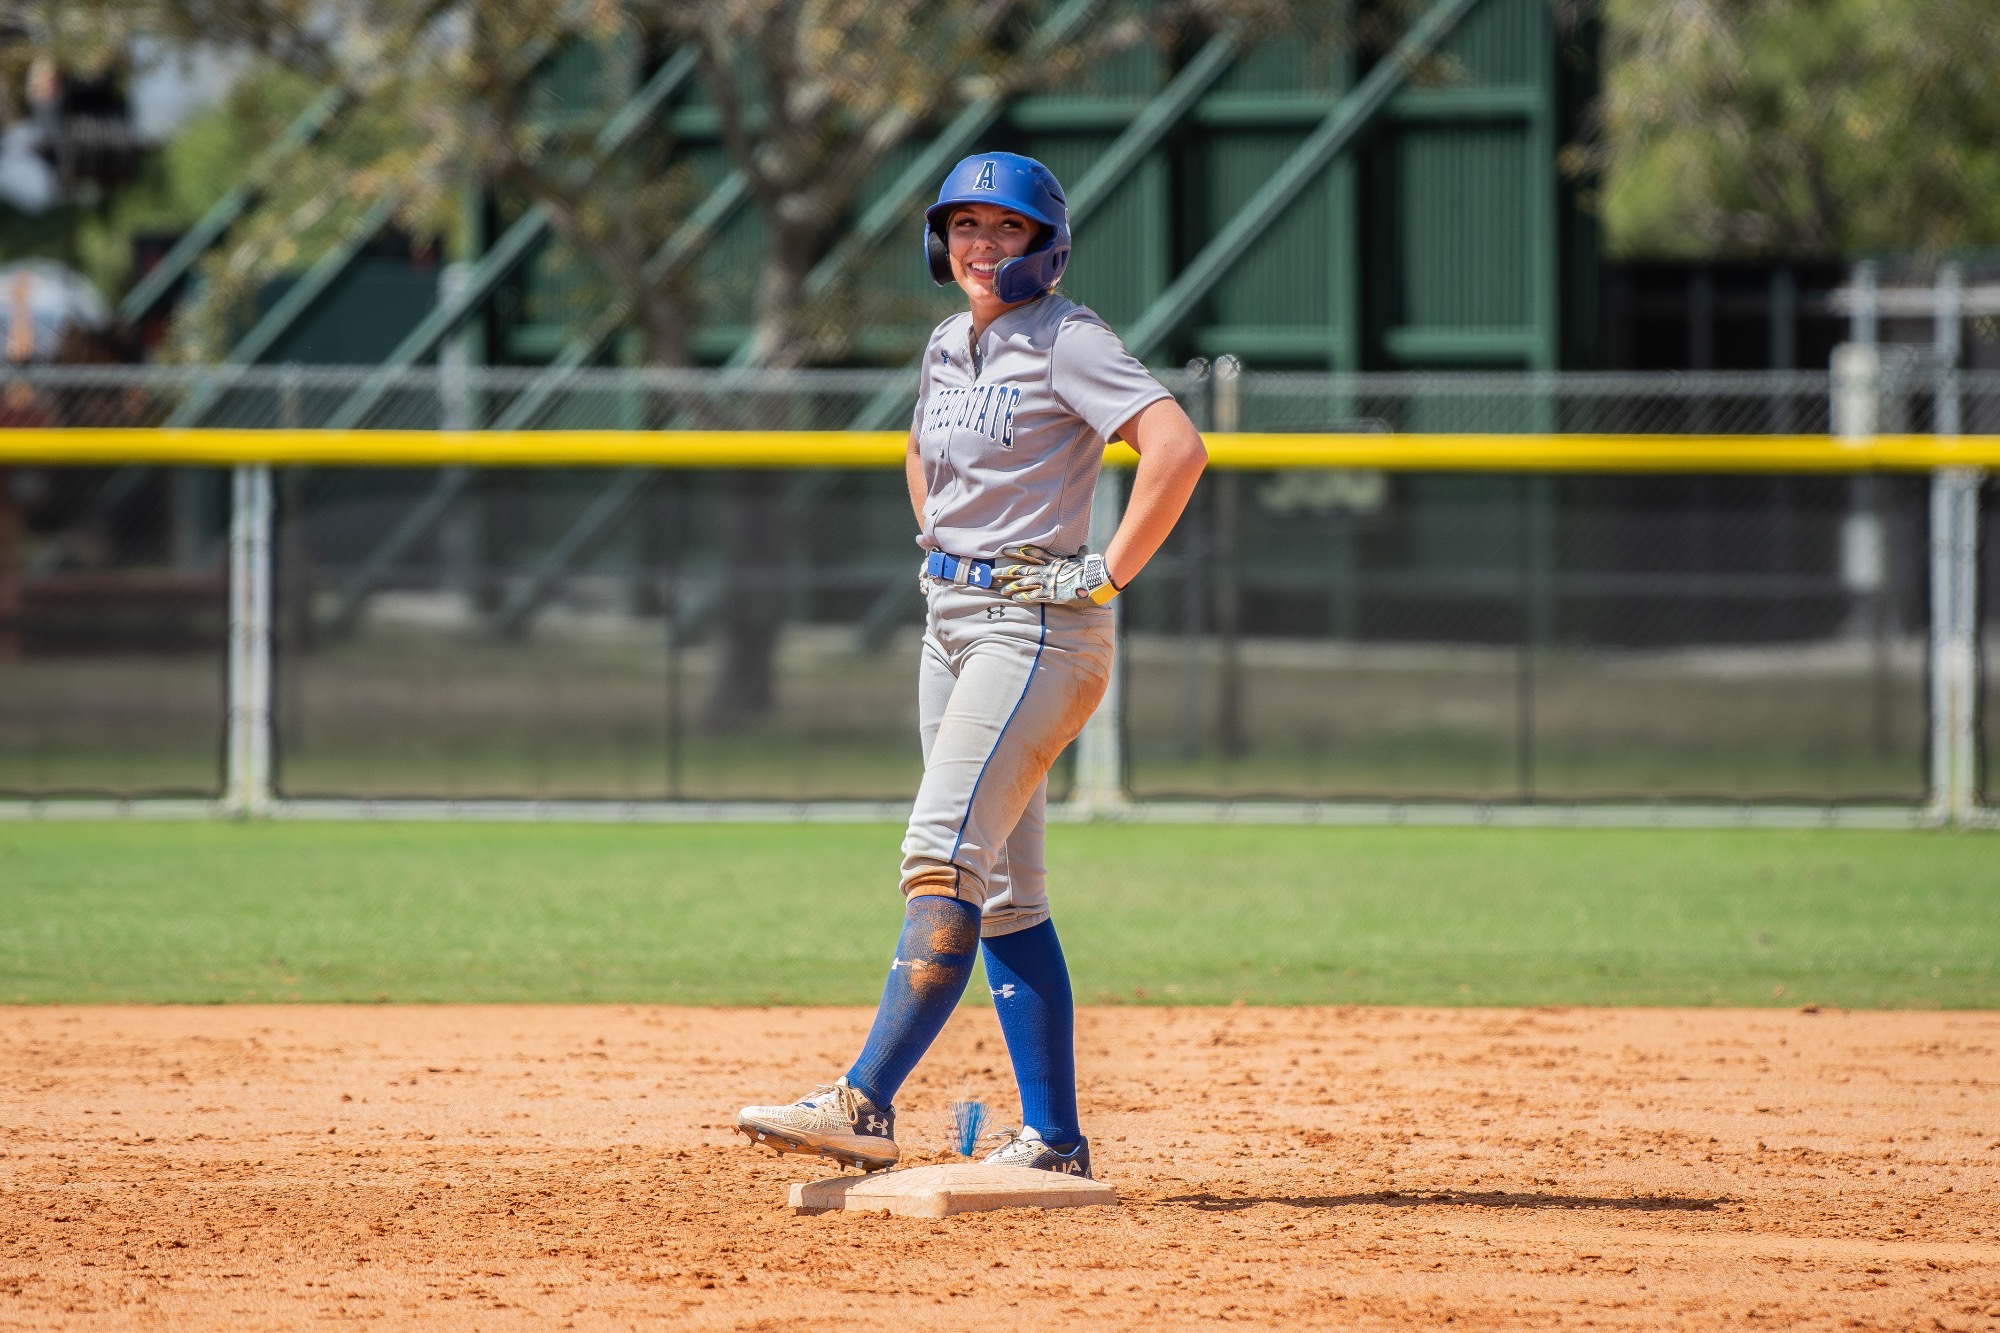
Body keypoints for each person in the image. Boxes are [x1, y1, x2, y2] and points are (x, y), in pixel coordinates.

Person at [736, 152, 1207, 1178]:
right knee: (1003, 896)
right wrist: (947, 543)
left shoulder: (1067, 338)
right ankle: (1053, 1142)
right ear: (939, 243)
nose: (981, 246)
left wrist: (1103, 574)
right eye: (964, 227)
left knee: (940, 851)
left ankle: (864, 1100)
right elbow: (919, 452)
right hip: (949, 619)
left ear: (1045, 242)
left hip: (1031, 627)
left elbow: (1174, 447)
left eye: (1005, 228)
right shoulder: (950, 343)